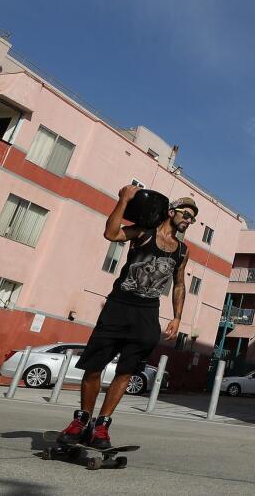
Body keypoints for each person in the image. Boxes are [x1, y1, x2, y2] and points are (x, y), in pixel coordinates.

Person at [56, 184, 195, 448]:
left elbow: (178, 283)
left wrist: (177, 317)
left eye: (192, 218)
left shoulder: (182, 251)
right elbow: (110, 233)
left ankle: (102, 426)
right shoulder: (143, 232)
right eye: (185, 214)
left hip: (147, 312)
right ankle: (82, 420)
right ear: (171, 212)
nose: (188, 221)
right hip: (119, 305)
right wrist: (123, 200)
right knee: (94, 367)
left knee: (126, 371)